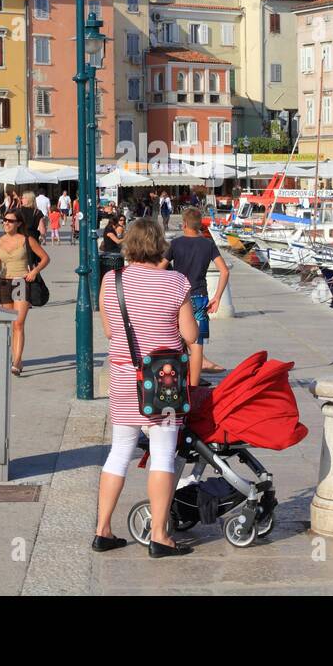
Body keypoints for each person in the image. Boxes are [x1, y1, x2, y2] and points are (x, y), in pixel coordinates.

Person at [93, 218, 198, 557]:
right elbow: (191, 336)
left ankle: (103, 531)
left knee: (120, 451)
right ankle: (159, 535)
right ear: (159, 244)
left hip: (124, 377)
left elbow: (110, 331)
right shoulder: (176, 282)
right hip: (163, 381)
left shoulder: (113, 279)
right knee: (164, 453)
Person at [161, 206, 230, 383]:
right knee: (197, 344)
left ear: (184, 223)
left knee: (177, 340)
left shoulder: (175, 244)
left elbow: (160, 268)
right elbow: (224, 271)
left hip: (178, 296)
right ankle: (194, 386)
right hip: (200, 297)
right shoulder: (208, 244)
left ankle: (179, 380)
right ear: (199, 225)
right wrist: (217, 297)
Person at [0, 208, 49, 376]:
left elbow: (45, 258)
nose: (6, 223)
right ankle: (12, 357)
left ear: (19, 223)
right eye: (5, 220)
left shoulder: (27, 240)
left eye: (10, 221)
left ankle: (16, 361)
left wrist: (34, 271)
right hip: (4, 283)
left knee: (18, 323)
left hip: (20, 282)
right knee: (8, 324)